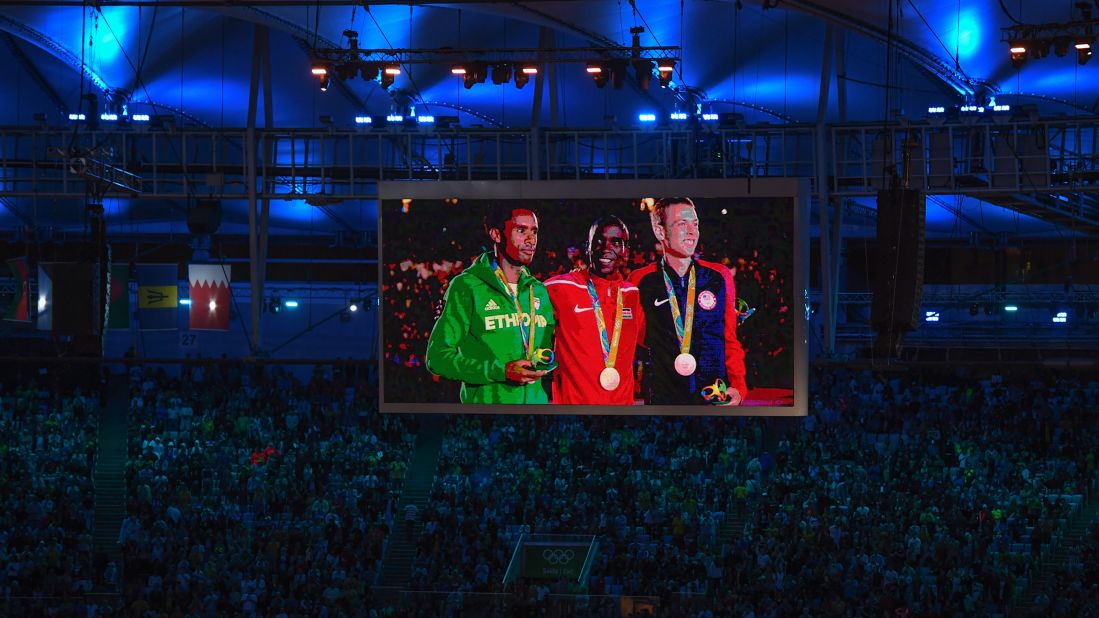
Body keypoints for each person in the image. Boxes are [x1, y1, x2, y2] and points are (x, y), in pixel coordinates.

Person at [425, 202, 555, 403]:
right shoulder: (467, 286)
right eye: (521, 230)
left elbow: (546, 351)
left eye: (534, 231)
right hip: (489, 414)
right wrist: (500, 371)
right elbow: (437, 358)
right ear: (496, 235)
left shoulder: (538, 290)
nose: (531, 240)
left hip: (536, 413)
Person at [629, 196, 747, 405]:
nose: (692, 231)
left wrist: (737, 387)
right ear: (660, 231)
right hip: (662, 396)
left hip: (713, 394)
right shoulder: (641, 280)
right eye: (682, 224)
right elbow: (636, 339)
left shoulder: (719, 276)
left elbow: (729, 338)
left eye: (695, 223)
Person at [545, 215, 644, 405]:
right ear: (588, 247)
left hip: (622, 412)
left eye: (615, 242)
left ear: (626, 251)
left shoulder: (632, 294)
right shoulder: (559, 287)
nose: (606, 249)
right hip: (574, 416)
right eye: (598, 242)